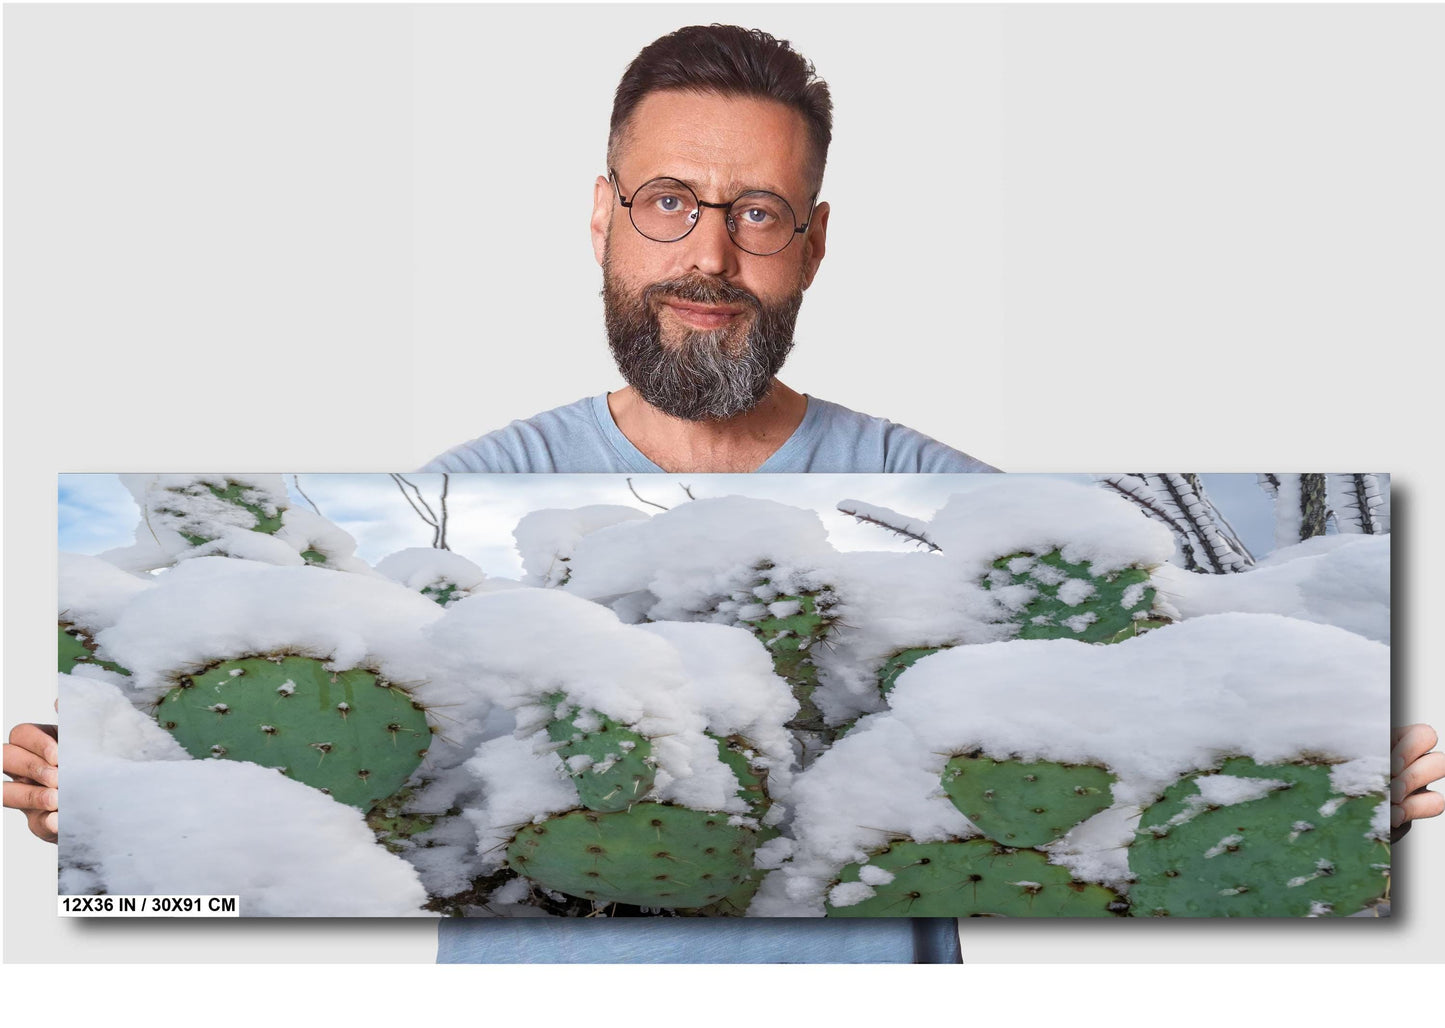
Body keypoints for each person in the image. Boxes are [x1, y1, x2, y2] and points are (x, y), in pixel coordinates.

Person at [9, 24, 1443, 962]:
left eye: (756, 212)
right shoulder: (450, 496)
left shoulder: (958, 502)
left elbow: (1131, 751)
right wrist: (106, 801)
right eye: (668, 201)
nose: (709, 253)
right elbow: (313, 840)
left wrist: (1364, 762)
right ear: (602, 214)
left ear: (810, 243)